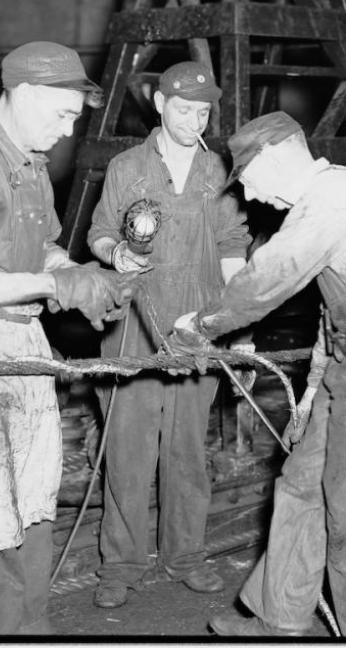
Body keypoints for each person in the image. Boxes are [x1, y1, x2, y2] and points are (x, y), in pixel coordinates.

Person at [166, 111, 346, 638]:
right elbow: (334, 311)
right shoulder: (323, 203)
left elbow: (273, 276)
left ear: (273, 156)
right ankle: (279, 614)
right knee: (300, 482)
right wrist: (313, 388)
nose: (250, 197)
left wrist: (202, 327)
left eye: (246, 181)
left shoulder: (336, 194)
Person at [0, 40, 135, 635]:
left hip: (22, 347)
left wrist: (71, 269)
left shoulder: (31, 164)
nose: (68, 132)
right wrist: (53, 284)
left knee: (34, 509)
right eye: (63, 115)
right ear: (27, 93)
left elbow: (41, 244)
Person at [87, 61, 252, 609]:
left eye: (203, 111)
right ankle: (121, 567)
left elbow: (232, 244)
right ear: (159, 104)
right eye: (184, 109)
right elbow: (99, 231)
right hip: (134, 324)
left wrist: (239, 321)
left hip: (196, 326)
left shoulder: (218, 171)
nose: (194, 119)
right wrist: (117, 254)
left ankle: (185, 556)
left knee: (187, 452)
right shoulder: (127, 166)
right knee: (128, 451)